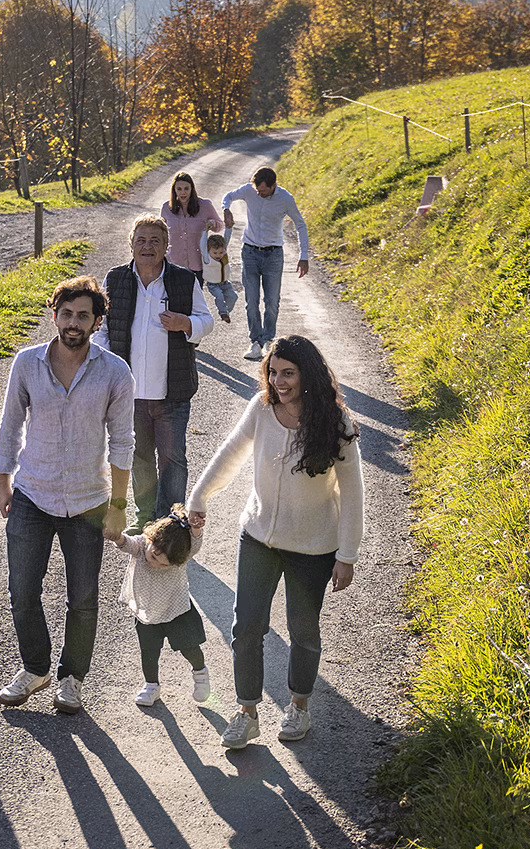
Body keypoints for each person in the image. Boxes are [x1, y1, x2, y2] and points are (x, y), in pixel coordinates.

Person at [187, 334, 363, 748]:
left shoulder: (336, 423)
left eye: (288, 373)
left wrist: (347, 554)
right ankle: (247, 713)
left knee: (303, 629)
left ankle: (298, 706)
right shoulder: (262, 408)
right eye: (273, 372)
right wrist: (199, 497)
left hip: (313, 548)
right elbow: (231, 452)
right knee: (246, 627)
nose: (278, 381)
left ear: (307, 375)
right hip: (258, 537)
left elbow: (353, 493)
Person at [0, 275, 135, 714]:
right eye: (67, 314)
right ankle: (35, 669)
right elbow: (10, 424)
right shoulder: (27, 363)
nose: (74, 322)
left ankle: (72, 678)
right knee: (22, 591)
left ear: (96, 322)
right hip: (32, 494)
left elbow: (123, 442)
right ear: (54, 316)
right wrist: (3, 481)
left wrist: (118, 506)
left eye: (83, 316)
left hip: (89, 501)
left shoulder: (114, 371)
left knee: (84, 598)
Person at [98, 216, 213, 526]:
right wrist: (105, 366)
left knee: (172, 459)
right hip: (130, 393)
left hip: (172, 392)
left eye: (155, 241)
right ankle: (145, 518)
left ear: (166, 246)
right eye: (141, 240)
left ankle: (170, 523)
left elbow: (207, 321)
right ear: (131, 245)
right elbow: (102, 330)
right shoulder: (115, 279)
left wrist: (186, 323)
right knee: (140, 458)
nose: (147, 246)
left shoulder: (183, 280)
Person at [102, 506, 211, 709]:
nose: (156, 564)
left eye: (164, 565)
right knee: (149, 651)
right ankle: (151, 685)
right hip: (147, 613)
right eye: (154, 557)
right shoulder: (141, 546)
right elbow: (126, 543)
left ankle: (200, 673)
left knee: (189, 647)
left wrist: (196, 528)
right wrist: (116, 537)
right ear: (151, 540)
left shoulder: (182, 554)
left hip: (176, 610)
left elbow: (195, 544)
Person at [221, 166, 311, 362]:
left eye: (263, 191)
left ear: (273, 186)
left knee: (271, 302)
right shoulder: (249, 190)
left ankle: (269, 341)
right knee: (251, 300)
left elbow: (300, 224)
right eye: (257, 190)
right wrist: (226, 210)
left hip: (273, 255)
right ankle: (255, 342)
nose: (259, 194)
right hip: (250, 252)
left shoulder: (285, 198)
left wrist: (303, 255)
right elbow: (228, 196)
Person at [161, 171, 223, 279]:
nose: (183, 192)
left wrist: (212, 223)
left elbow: (220, 226)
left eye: (186, 188)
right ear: (174, 190)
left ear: (192, 189)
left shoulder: (205, 205)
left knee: (195, 290)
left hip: (197, 263)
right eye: (179, 189)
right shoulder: (166, 208)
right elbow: (161, 233)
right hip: (173, 263)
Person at [201, 230, 238, 325]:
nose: (218, 255)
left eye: (221, 252)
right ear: (208, 250)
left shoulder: (224, 255)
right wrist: (205, 231)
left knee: (233, 297)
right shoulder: (207, 258)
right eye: (215, 253)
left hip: (225, 283)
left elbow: (226, 239)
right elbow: (203, 244)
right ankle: (223, 313)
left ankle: (226, 311)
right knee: (219, 296)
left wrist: (229, 228)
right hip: (213, 285)